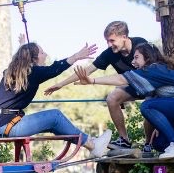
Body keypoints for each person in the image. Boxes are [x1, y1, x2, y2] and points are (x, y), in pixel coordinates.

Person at [73, 43, 174, 159]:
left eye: (137, 57)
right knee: (159, 144)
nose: (133, 62)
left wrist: (92, 80)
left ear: (148, 57)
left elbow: (122, 79)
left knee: (147, 106)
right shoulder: (157, 75)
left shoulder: (154, 69)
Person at [0, 42, 111, 160]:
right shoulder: (33, 73)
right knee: (55, 116)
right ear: (34, 58)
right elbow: (55, 69)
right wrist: (76, 56)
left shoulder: (12, 72)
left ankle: (90, 142)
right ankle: (93, 145)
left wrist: (23, 45)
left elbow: (22, 59)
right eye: (42, 52)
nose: (46, 55)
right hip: (8, 126)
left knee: (55, 124)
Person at [44, 21, 148, 152]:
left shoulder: (141, 45)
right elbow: (87, 71)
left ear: (124, 36)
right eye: (107, 41)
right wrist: (60, 84)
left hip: (150, 85)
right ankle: (124, 140)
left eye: (112, 40)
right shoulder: (110, 53)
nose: (109, 45)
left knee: (149, 104)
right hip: (133, 86)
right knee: (112, 98)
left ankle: (149, 144)